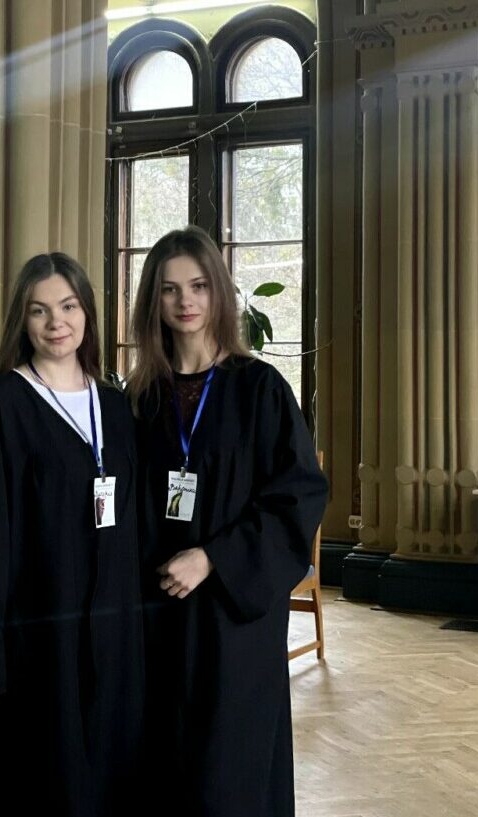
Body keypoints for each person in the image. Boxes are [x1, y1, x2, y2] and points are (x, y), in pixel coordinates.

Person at [128, 226, 328, 817]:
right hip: (157, 615)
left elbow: (297, 497)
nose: (185, 301)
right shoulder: (140, 399)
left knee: (229, 773)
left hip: (231, 621)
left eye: (197, 286)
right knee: (160, 771)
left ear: (218, 291)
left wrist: (213, 557)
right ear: (154, 301)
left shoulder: (260, 390)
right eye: (169, 289)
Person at [0, 253, 144, 817]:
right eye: (40, 310)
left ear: (88, 313)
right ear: (22, 321)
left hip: (115, 646)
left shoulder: (117, 408)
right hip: (34, 650)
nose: (57, 322)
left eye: (69, 306)